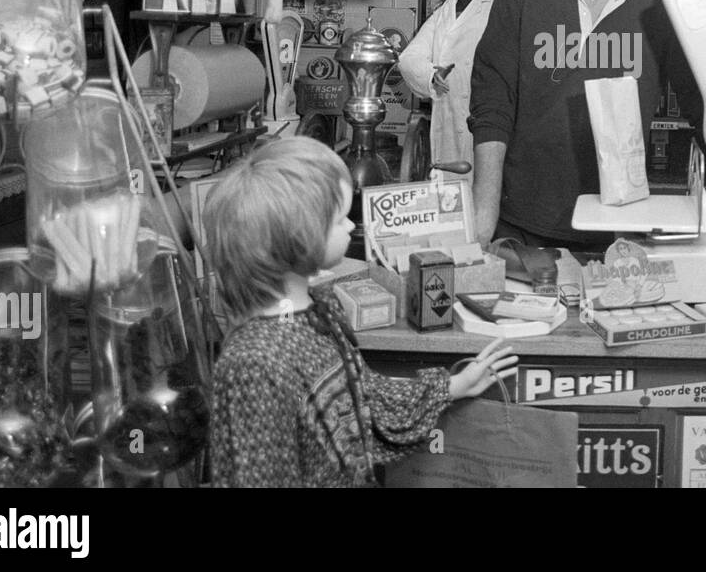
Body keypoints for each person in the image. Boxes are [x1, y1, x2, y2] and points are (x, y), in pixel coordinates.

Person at [205, 136, 517, 487]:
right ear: (299, 235)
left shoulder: (318, 312)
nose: (352, 225)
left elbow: (364, 398)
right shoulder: (253, 364)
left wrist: (453, 386)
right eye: (340, 219)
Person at [469, 0, 701, 248]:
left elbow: (699, 100)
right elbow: (493, 104)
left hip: (620, 221)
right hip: (525, 223)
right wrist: (483, 210)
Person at [398, 0, 501, 173]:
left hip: (485, 119)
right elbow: (408, 58)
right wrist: (432, 75)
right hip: (448, 114)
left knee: (481, 193)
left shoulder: (499, 3)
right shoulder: (446, 9)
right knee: (451, 198)